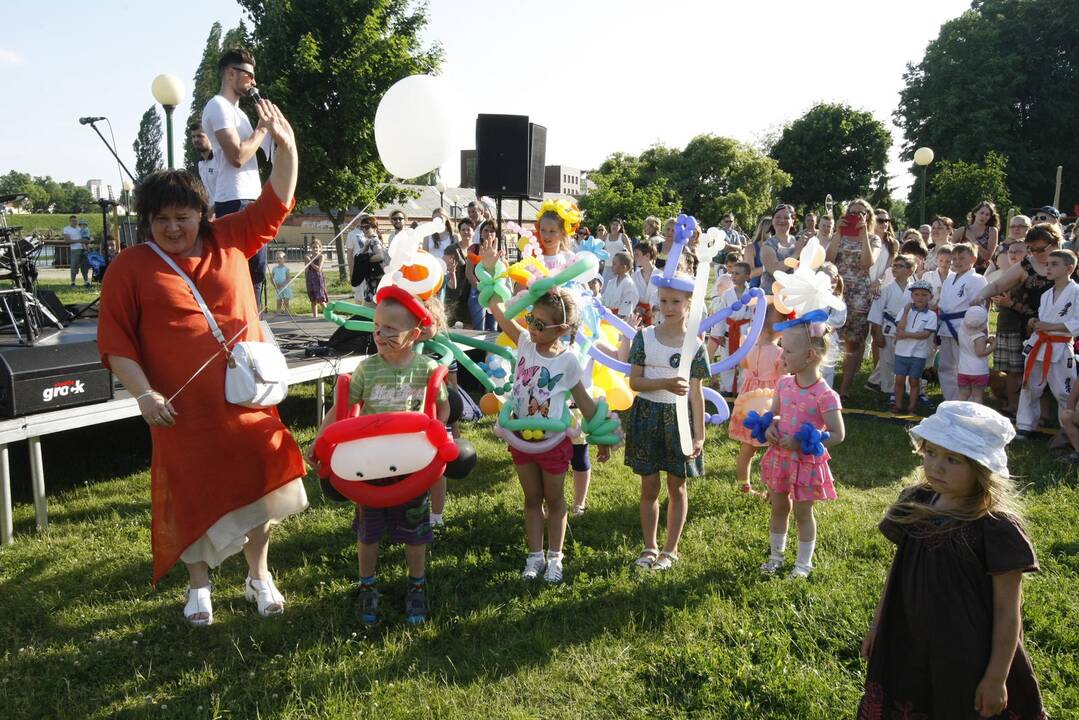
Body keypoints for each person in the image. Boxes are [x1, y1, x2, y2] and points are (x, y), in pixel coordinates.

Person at [97, 98, 305, 625]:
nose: (172, 227)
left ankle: (259, 574)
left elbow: (277, 200)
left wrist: (287, 147)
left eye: (182, 217)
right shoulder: (130, 267)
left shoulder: (230, 237)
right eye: (161, 219)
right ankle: (199, 587)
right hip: (180, 409)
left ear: (202, 214)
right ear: (148, 220)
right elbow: (116, 340)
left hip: (248, 398)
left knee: (260, 482)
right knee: (189, 492)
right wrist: (144, 393)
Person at [858, 402, 1044, 719]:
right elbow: (897, 573)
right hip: (909, 638)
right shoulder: (915, 502)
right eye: (931, 453)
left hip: (968, 653)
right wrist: (878, 625)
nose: (937, 467)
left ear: (981, 468)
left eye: (953, 459)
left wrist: (997, 676)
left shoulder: (995, 528)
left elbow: (1007, 610)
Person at [478, 220, 610, 584]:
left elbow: (582, 400)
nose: (531, 326)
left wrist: (599, 434)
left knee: (554, 499)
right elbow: (500, 311)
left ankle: (555, 557)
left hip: (552, 441)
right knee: (531, 498)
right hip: (522, 439)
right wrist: (490, 268)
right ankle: (533, 557)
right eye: (531, 319)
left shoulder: (567, 360)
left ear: (562, 329)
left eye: (539, 323)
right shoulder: (523, 343)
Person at [310, 290, 449, 625]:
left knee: (415, 531)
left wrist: (440, 432)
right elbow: (341, 410)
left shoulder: (427, 369)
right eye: (377, 327)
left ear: (414, 335)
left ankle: (417, 584)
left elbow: (441, 405)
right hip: (369, 466)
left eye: (390, 329)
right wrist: (320, 440)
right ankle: (367, 585)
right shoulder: (366, 370)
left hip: (412, 466)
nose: (380, 335)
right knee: (368, 532)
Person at [625, 276, 709, 572]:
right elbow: (635, 382)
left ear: (689, 304)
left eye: (675, 301)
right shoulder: (645, 337)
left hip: (679, 422)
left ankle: (670, 549)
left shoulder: (695, 345)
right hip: (648, 417)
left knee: (678, 486)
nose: (668, 307)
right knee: (649, 486)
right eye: (663, 301)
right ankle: (650, 546)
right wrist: (665, 382)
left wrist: (699, 435)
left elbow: (696, 395)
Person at [760, 313, 845, 578]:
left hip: (805, 463)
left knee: (802, 513)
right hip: (781, 458)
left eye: (787, 351)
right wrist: (771, 426)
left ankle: (803, 564)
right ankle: (776, 556)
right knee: (778, 506)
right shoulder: (784, 384)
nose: (781, 356)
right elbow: (775, 414)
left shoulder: (825, 395)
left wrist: (803, 442)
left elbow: (837, 433)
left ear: (809, 356)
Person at [201, 48, 274, 308]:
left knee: (256, 273)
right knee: (237, 274)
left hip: (251, 198)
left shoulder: (241, 114)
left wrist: (274, 127)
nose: (253, 82)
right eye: (249, 75)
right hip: (233, 200)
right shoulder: (218, 105)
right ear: (231, 74)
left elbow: (266, 153)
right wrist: (262, 128)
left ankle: (253, 331)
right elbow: (237, 156)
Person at [1013, 249, 1079, 437]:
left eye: (1054, 264)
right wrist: (1035, 323)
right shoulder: (1046, 294)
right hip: (1039, 344)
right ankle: (1025, 425)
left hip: (1061, 346)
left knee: (1065, 391)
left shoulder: (1076, 293)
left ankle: (1067, 429)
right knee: (1029, 386)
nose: (1048, 267)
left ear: (1069, 268)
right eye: (1047, 264)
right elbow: (1042, 319)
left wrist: (1050, 326)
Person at [826, 199, 882, 400]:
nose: (857, 216)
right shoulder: (838, 235)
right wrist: (839, 234)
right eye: (853, 212)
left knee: (853, 340)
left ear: (868, 217)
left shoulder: (873, 239)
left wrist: (863, 235)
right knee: (829, 335)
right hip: (836, 291)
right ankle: (826, 381)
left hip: (859, 293)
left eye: (861, 213)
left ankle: (845, 387)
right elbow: (830, 259)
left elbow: (867, 263)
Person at [729, 306, 785, 497]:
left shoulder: (746, 345)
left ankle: (744, 487)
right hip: (770, 402)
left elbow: (743, 366)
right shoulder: (780, 353)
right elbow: (785, 379)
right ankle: (772, 490)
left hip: (748, 403)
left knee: (747, 448)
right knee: (774, 449)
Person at [937, 243, 987, 401]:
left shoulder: (977, 279)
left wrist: (977, 329)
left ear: (973, 259)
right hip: (946, 326)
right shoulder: (949, 278)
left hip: (966, 329)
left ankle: (969, 402)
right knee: (946, 366)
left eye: (962, 258)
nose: (957, 262)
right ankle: (950, 400)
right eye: (954, 258)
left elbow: (980, 307)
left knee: (966, 366)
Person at [869, 254, 914, 407]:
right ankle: (888, 391)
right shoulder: (885, 290)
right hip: (888, 330)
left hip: (909, 331)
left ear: (910, 270)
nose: (895, 269)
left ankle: (904, 389)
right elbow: (876, 313)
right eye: (894, 266)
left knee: (905, 361)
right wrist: (877, 334)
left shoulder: (915, 290)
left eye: (900, 266)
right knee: (887, 362)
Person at [892, 280, 937, 414]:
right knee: (899, 379)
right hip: (901, 351)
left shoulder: (931, 315)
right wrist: (906, 313)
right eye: (916, 294)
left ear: (930, 297)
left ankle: (912, 406)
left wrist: (905, 334)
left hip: (918, 353)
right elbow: (899, 327)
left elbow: (925, 334)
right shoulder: (904, 310)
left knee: (914, 380)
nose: (920, 298)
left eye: (924, 295)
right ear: (912, 296)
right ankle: (898, 404)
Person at [707, 261, 752, 394]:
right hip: (728, 332)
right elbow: (721, 315)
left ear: (747, 276)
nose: (733, 276)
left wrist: (752, 334)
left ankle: (742, 389)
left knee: (745, 362)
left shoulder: (751, 295)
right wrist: (718, 334)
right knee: (727, 361)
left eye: (737, 273)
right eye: (732, 273)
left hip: (745, 333)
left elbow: (754, 316)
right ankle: (726, 389)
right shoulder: (727, 294)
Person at [954, 305, 995, 404]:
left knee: (963, 394)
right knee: (977, 395)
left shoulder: (961, 330)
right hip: (978, 371)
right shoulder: (979, 336)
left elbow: (965, 345)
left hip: (963, 369)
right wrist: (994, 345)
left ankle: (958, 413)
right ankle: (976, 416)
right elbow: (980, 353)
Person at [760, 204, 801, 295]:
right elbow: (774, 270)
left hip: (793, 297)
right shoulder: (768, 245)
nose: (782, 220)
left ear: (792, 221)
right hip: (772, 298)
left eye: (786, 217)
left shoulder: (798, 242)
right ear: (773, 221)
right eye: (778, 217)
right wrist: (796, 253)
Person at [951, 201, 1000, 273]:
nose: (984, 216)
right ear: (975, 213)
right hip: (961, 269)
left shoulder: (992, 231)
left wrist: (973, 240)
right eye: (982, 213)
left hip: (982, 271)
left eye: (987, 214)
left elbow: (987, 257)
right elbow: (949, 250)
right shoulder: (962, 231)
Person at [601, 251, 638, 318]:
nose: (612, 266)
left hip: (618, 320)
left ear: (624, 267)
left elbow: (626, 311)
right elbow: (603, 300)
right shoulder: (611, 282)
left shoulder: (629, 285)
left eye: (614, 264)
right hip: (605, 317)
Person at [631, 242, 660, 325]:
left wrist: (653, 310)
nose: (634, 257)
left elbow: (664, 297)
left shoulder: (660, 276)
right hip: (638, 317)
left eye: (637, 255)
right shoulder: (634, 276)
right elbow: (631, 296)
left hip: (656, 316)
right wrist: (637, 308)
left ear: (647, 255)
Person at [188, 121, 217, 205]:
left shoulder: (220, 159)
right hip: (214, 214)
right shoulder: (200, 164)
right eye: (193, 137)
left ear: (210, 136)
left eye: (200, 136)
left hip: (227, 210)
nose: (196, 140)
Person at [62, 215, 91, 287]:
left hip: (83, 249)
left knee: (85, 266)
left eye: (76, 221)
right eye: (73, 221)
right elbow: (67, 240)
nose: (75, 222)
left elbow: (87, 239)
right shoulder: (66, 229)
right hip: (75, 250)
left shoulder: (80, 228)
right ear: (70, 221)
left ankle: (86, 282)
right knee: (74, 266)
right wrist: (79, 241)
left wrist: (87, 241)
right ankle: (73, 282)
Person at [602, 218, 633, 283]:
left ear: (620, 227)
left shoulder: (623, 236)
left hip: (620, 267)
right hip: (607, 266)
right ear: (610, 225)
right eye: (613, 224)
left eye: (617, 225)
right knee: (605, 288)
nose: (615, 226)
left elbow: (630, 252)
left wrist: (630, 267)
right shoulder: (605, 236)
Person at [304, 239, 328, 318]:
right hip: (310, 279)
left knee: (320, 298)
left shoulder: (321, 256)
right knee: (313, 299)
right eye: (313, 247)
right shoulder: (308, 257)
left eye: (317, 247)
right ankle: (315, 316)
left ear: (320, 248)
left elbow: (319, 269)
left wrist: (310, 261)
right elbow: (306, 269)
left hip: (318, 279)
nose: (315, 249)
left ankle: (329, 315)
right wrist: (306, 279)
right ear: (311, 248)